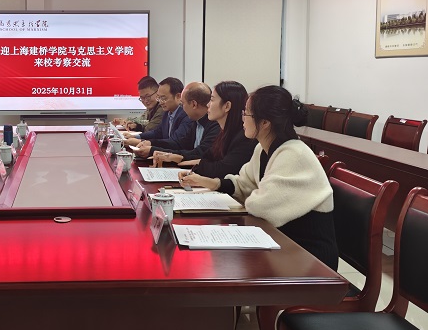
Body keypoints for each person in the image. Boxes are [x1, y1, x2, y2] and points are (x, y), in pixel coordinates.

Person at [182, 85, 338, 269]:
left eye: (246, 113)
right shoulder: (262, 150)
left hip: (310, 259)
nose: (242, 119)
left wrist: (246, 194)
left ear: (264, 123)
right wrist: (213, 183)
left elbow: (263, 207)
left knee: (225, 266)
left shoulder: (294, 154)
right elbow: (243, 184)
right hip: (281, 243)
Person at [156, 81, 256, 181]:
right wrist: (180, 158)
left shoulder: (243, 137)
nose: (207, 105)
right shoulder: (223, 133)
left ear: (227, 106)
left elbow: (222, 169)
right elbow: (206, 157)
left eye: (212, 100)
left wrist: (193, 166)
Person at [134, 81, 219, 160]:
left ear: (194, 104)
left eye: (183, 103)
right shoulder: (196, 122)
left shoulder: (215, 125)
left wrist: (154, 150)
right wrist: (151, 144)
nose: (182, 107)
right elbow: (178, 144)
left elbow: (198, 154)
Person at [123, 77, 195, 151]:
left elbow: (175, 142)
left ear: (178, 97)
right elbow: (157, 132)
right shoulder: (167, 112)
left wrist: (144, 142)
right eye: (159, 98)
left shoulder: (186, 115)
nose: (160, 102)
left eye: (163, 98)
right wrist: (136, 137)